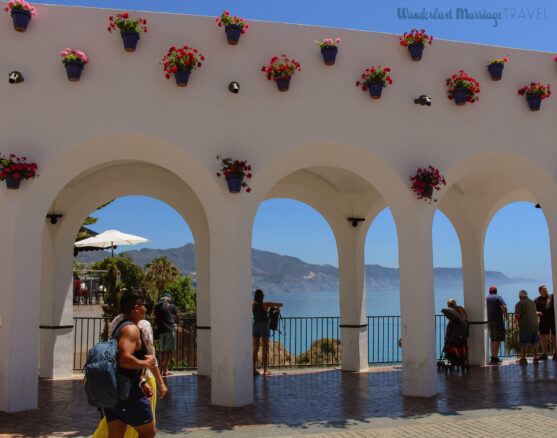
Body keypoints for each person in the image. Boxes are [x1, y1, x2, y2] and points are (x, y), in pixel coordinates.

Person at [93, 292, 167, 438]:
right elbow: (124, 360)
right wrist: (146, 363)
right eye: (144, 306)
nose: (146, 309)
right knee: (148, 433)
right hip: (128, 392)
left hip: (114, 389)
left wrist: (142, 380)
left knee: (116, 434)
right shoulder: (132, 329)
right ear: (136, 308)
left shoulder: (118, 325)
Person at [252, 289, 282, 376]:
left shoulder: (253, 305)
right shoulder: (265, 304)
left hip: (255, 326)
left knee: (255, 349)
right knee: (265, 349)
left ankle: (254, 369)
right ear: (262, 296)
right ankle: (265, 370)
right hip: (264, 326)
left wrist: (268, 311)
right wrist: (274, 309)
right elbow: (281, 304)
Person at [154, 294, 178, 376]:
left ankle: (160, 369)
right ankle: (165, 369)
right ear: (169, 300)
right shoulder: (171, 306)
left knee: (162, 351)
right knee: (168, 351)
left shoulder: (157, 307)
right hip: (169, 329)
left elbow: (155, 316)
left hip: (161, 330)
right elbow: (177, 316)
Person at [515, 289, 540, 364]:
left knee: (524, 343)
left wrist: (515, 320)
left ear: (520, 296)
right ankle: (536, 358)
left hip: (525, 326)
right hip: (534, 326)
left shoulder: (519, 304)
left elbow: (517, 315)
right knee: (534, 343)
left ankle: (523, 358)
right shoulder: (532, 303)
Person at [486, 286, 508, 365]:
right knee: (497, 339)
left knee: (492, 339)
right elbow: (504, 307)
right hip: (497, 320)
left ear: (489, 291)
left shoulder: (487, 298)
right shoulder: (498, 297)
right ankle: (495, 357)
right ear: (496, 291)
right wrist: (506, 315)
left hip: (490, 320)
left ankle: (492, 356)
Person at [535, 285, 556, 360]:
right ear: (540, 291)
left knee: (554, 336)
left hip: (553, 320)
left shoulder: (552, 297)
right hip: (543, 320)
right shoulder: (537, 300)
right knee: (543, 336)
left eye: (546, 289)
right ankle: (544, 353)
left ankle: (556, 353)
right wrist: (537, 312)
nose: (546, 290)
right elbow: (534, 309)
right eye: (544, 289)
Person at [447, 298, 469, 366]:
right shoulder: (453, 311)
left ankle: (461, 360)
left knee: (460, 345)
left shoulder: (459, 308)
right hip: (454, 329)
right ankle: (453, 359)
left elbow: (464, 318)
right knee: (452, 343)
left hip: (460, 330)